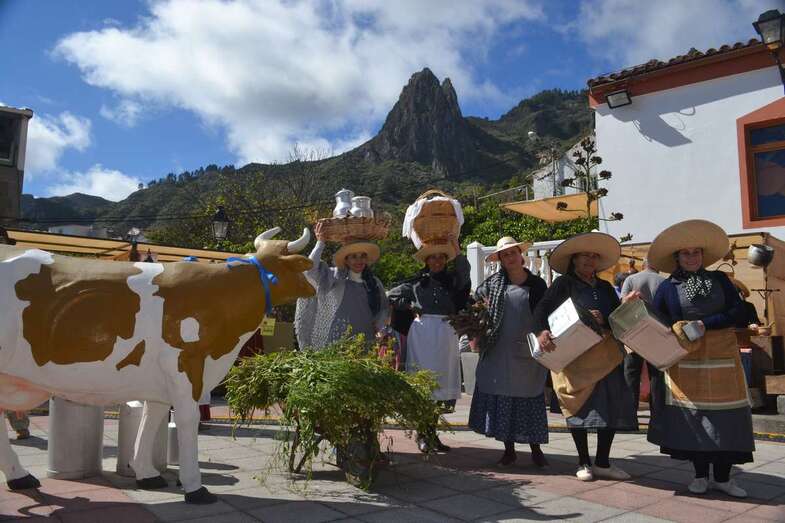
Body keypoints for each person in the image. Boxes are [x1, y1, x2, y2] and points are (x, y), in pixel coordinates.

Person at [648, 219, 754, 498]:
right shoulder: (667, 287)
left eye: (696, 252)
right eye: (686, 253)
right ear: (677, 258)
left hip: (723, 360)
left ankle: (723, 478)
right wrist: (636, 307)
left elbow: (739, 313)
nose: (692, 257)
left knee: (727, 419)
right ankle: (699, 475)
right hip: (687, 364)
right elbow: (658, 321)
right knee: (694, 419)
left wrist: (707, 323)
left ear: (702, 256)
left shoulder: (720, 280)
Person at [534, 232, 638, 482]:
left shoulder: (604, 287)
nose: (589, 260)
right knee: (578, 408)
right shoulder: (563, 285)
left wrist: (619, 311)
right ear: (574, 260)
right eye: (584, 256)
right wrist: (541, 331)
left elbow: (617, 319)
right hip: (575, 357)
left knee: (610, 408)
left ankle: (603, 462)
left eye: (594, 256)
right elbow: (541, 311)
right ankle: (583, 462)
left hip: (606, 355)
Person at [469, 237, 549, 467]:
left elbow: (544, 313)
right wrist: (475, 326)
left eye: (513, 252)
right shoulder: (492, 284)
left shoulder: (537, 285)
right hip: (497, 350)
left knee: (529, 397)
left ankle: (536, 449)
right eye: (505, 255)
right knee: (503, 399)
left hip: (525, 350)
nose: (511, 258)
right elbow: (474, 307)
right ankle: (509, 450)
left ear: (520, 255)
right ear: (501, 260)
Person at [388, 233, 470, 453]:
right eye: (432, 258)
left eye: (441, 257)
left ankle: (431, 434)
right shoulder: (416, 283)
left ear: (445, 259)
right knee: (425, 384)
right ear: (426, 261)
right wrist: (409, 307)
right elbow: (392, 295)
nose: (437, 261)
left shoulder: (453, 281)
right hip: (423, 334)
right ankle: (424, 434)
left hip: (446, 333)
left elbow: (465, 274)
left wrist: (458, 250)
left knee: (441, 384)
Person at [294, 222, 387, 350]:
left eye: (363, 256)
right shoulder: (333, 277)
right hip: (336, 344)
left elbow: (383, 310)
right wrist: (320, 242)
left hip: (366, 343)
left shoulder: (374, 283)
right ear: (346, 260)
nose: (359, 261)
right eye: (354, 257)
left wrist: (381, 328)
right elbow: (310, 270)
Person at [620, 258, 666, 406]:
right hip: (657, 333)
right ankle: (658, 415)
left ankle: (630, 413)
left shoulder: (631, 280)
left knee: (631, 373)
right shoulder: (664, 281)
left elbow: (623, 305)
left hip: (634, 332)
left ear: (643, 266)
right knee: (657, 376)